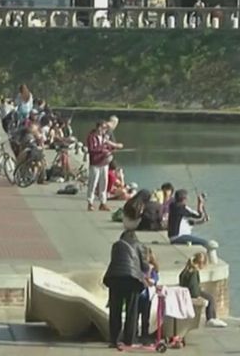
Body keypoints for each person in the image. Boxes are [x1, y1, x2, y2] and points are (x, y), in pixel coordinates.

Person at [103, 204, 152, 349]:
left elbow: (115, 262)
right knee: (131, 310)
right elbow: (144, 267)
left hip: (114, 278)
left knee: (115, 309)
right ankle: (129, 340)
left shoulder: (116, 245)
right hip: (132, 279)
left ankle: (113, 339)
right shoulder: (140, 245)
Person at [179, 253, 228, 328]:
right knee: (210, 298)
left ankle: (213, 318)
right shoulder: (194, 272)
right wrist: (197, 296)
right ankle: (210, 319)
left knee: (210, 297)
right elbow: (193, 286)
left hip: (185, 293)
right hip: (191, 294)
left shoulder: (186, 270)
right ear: (201, 263)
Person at [86, 121, 120, 212]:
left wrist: (112, 149)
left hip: (104, 163)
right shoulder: (92, 137)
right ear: (99, 128)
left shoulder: (104, 137)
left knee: (104, 183)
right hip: (95, 163)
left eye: (106, 128)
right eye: (104, 128)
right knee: (93, 183)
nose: (105, 130)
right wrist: (103, 151)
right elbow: (91, 150)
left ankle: (103, 203)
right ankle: (90, 203)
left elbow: (108, 146)